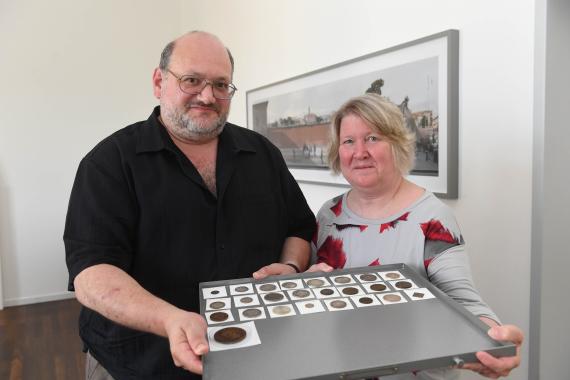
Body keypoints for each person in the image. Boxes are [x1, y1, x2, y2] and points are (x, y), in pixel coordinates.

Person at [64, 31, 315, 380]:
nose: (208, 95)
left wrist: (290, 266)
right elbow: (91, 274)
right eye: (192, 80)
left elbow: (298, 227)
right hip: (139, 364)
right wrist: (169, 319)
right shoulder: (109, 163)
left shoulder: (263, 155)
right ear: (158, 81)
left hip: (254, 356)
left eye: (221, 84)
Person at [309, 93, 523, 379]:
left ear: (396, 143)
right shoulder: (328, 215)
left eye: (372, 138)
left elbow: (464, 302)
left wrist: (492, 338)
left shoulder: (432, 218)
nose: (359, 152)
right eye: (349, 141)